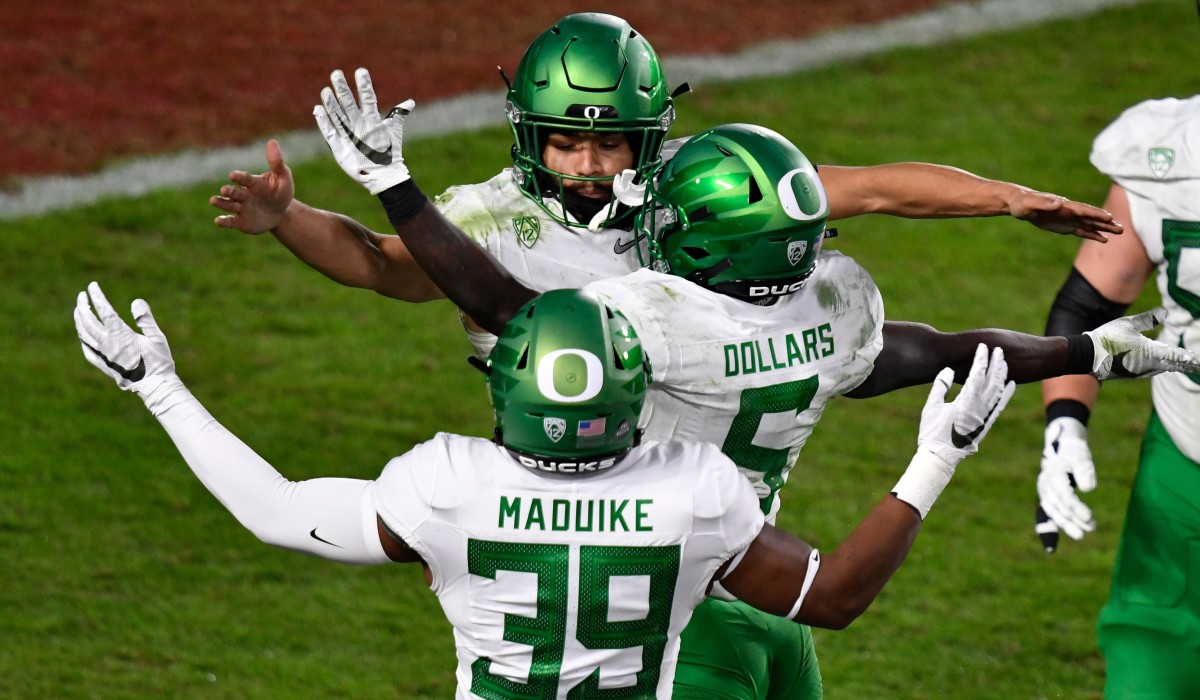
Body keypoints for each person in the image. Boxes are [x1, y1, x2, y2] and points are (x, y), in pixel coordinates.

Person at [208, 13, 1122, 699]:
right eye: (567, 140)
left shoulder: (699, 187)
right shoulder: (488, 219)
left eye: (611, 141)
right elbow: (379, 263)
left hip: (723, 527)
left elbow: (874, 186)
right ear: (530, 136)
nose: (591, 163)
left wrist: (1007, 197)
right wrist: (290, 218)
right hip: (600, 524)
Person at [75, 281, 1016, 699]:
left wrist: (159, 387)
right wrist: (938, 455)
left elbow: (276, 510)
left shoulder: (449, 485)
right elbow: (835, 598)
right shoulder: (694, 492)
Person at [1034, 78, 1200, 695]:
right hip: (1185, 472)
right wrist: (1065, 423)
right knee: (1149, 675)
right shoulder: (1163, 156)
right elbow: (1086, 311)